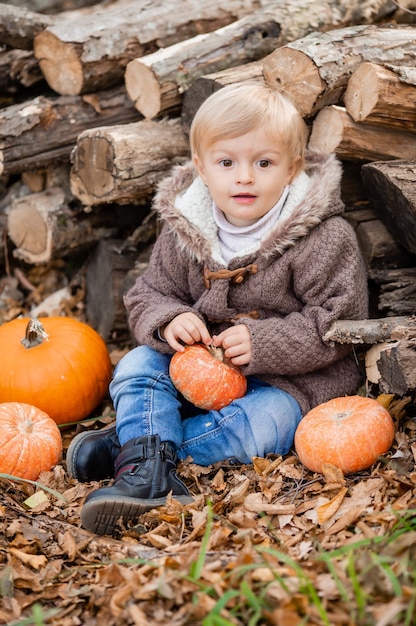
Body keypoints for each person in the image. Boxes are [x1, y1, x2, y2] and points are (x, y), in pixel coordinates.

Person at [68, 82, 368, 535]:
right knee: (137, 365)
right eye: (227, 162)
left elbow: (339, 320)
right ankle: (148, 469)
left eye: (263, 163)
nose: (244, 177)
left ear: (292, 168)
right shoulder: (186, 227)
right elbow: (148, 293)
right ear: (203, 170)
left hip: (287, 382)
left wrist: (264, 342)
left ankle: (139, 454)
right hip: (197, 367)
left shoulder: (323, 238)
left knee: (263, 428)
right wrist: (170, 319)